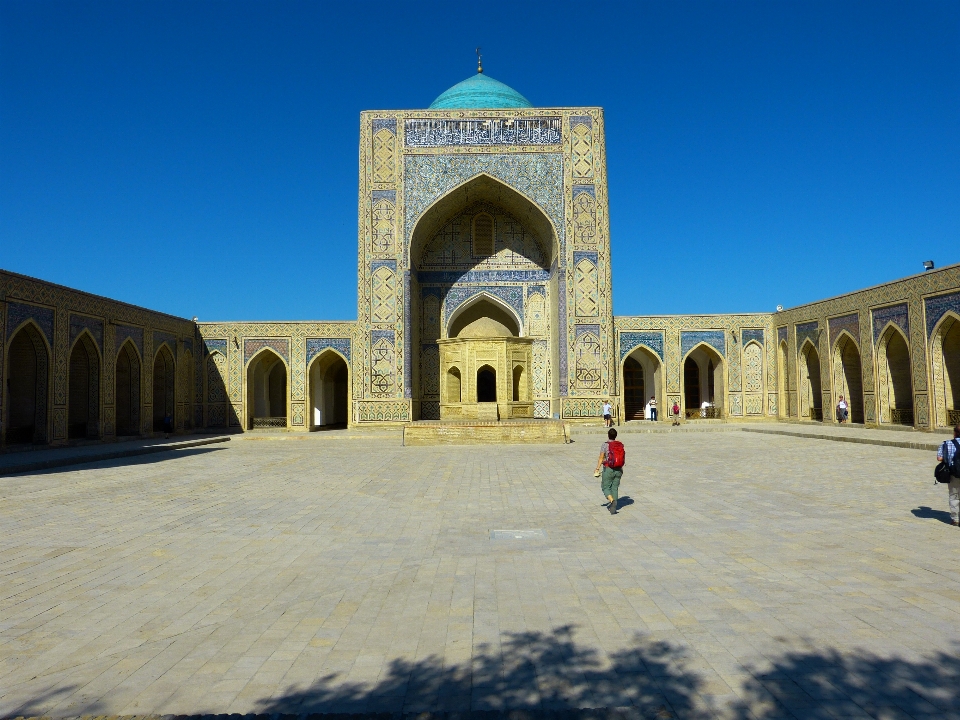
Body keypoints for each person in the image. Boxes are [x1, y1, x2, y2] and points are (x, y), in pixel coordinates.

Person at [594, 427, 624, 515]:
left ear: (608, 435)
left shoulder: (605, 445)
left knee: (605, 487)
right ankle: (614, 507)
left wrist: (597, 468)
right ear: (616, 436)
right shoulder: (620, 444)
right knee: (614, 487)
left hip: (609, 468)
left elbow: (601, 457)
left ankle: (612, 501)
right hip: (619, 469)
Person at [937, 424, 960, 527]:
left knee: (954, 496)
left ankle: (955, 519)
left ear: (954, 433)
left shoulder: (946, 443)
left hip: (953, 474)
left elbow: (939, 458)